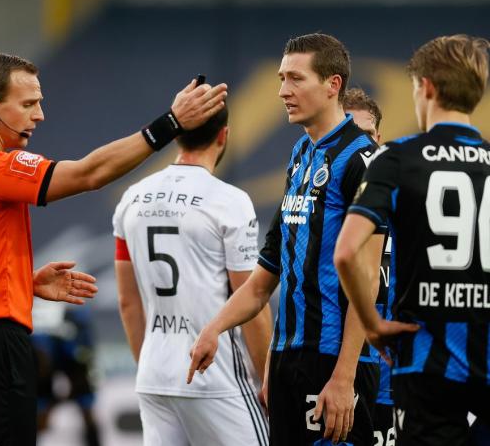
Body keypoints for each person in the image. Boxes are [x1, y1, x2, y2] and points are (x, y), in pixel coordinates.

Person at [0, 52, 228, 446]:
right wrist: (170, 124)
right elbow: (89, 173)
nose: (40, 115)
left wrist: (21, 282)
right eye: (29, 103)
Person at [188, 34, 385, 445]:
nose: (282, 91)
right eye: (281, 78)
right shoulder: (301, 154)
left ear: (333, 84)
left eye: (295, 79)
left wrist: (345, 377)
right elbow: (264, 278)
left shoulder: (362, 160)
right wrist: (215, 329)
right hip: (287, 360)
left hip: (333, 361)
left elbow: (367, 280)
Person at [335, 34, 490, 446]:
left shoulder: (398, 158)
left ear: (426, 88)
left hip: (425, 365)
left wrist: (372, 326)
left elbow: (347, 252)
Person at [113, 103, 272, 445]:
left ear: (176, 136)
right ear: (223, 135)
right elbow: (252, 301)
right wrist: (266, 378)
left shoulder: (132, 198)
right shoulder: (230, 201)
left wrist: (153, 368)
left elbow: (128, 302)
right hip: (217, 379)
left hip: (154, 377)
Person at [342, 88, 394, 446]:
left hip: (397, 387)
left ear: (379, 140)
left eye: (366, 136)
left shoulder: (410, 208)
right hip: (343, 377)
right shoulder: (325, 219)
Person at [31, 301, 101, 446]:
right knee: (38, 415)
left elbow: (83, 368)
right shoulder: (35, 352)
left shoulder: (75, 347)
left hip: (74, 357)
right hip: (41, 359)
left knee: (87, 410)